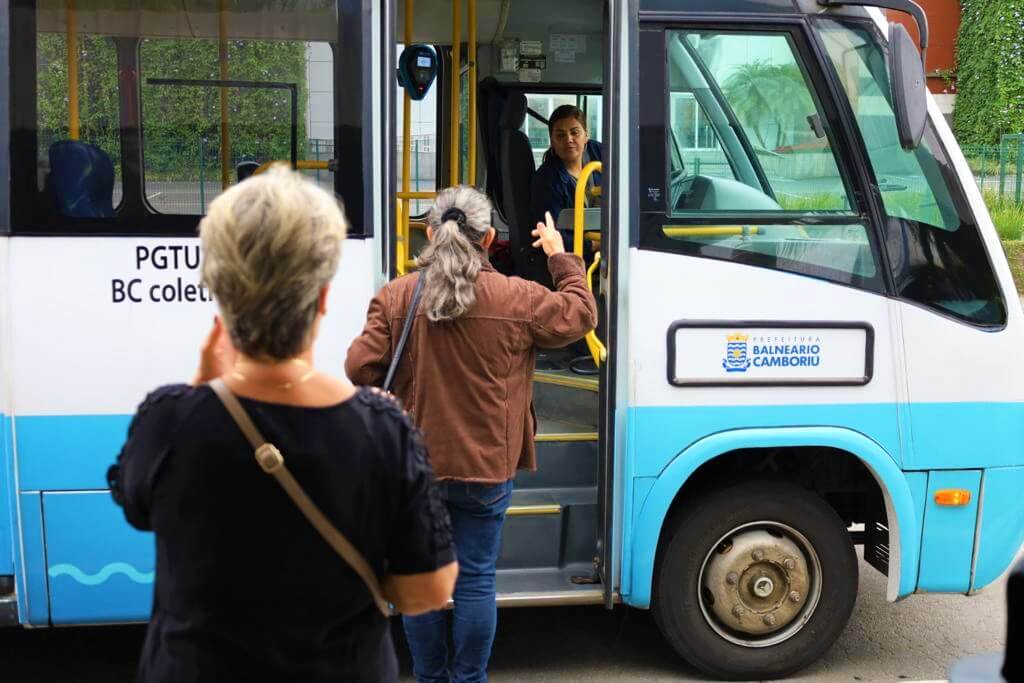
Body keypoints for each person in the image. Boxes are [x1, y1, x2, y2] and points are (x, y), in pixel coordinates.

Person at [106, 166, 458, 683]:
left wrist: (200, 390)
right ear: (320, 299)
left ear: (220, 296)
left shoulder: (170, 420)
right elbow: (426, 591)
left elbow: (133, 501)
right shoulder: (383, 429)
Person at [345, 186, 597, 683]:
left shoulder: (397, 296)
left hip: (416, 469)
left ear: (431, 233)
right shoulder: (518, 297)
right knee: (476, 581)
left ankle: (430, 677)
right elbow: (581, 313)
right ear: (489, 240)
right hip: (487, 468)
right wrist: (559, 255)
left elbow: (358, 367)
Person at [530, 104, 603, 244]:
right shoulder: (546, 180)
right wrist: (596, 245)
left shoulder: (602, 152)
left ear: (586, 135)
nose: (568, 139)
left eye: (575, 132)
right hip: (576, 253)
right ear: (552, 141)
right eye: (560, 135)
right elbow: (553, 236)